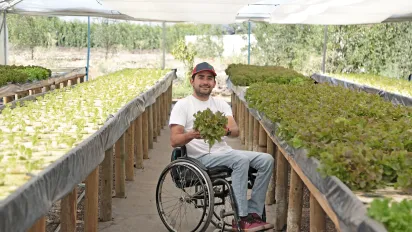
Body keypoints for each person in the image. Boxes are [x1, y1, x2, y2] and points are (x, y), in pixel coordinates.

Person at [169, 62, 275, 232]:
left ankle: (254, 212)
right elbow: (174, 140)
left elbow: (235, 131)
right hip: (200, 158)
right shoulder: (183, 105)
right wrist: (192, 134)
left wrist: (224, 130)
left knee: (266, 160)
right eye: (201, 77)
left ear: (214, 83)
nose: (205, 82)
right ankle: (241, 218)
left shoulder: (220, 104)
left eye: (209, 78)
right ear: (192, 81)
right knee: (240, 160)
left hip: (225, 152)